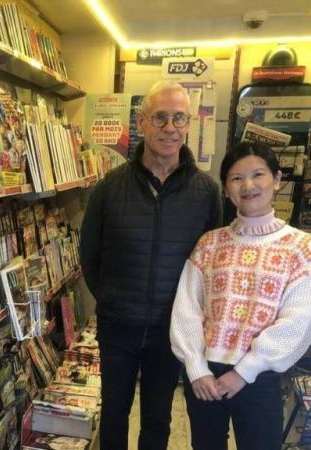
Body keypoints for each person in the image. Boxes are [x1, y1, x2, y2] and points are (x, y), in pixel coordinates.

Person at [80, 80, 221, 450]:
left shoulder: (206, 192)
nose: (170, 127)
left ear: (189, 124)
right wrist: (111, 299)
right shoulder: (109, 188)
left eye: (179, 118)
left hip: (171, 331)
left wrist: (191, 318)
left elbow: (213, 261)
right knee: (113, 413)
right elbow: (89, 255)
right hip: (118, 327)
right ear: (142, 122)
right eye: (160, 117)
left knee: (158, 418)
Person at [171, 141, 311, 450]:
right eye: (236, 178)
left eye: (258, 174)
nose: (247, 185)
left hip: (258, 378)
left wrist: (244, 371)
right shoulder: (209, 244)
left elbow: (299, 320)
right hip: (205, 376)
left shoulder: (300, 248)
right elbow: (186, 309)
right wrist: (195, 367)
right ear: (225, 189)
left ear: (276, 180)